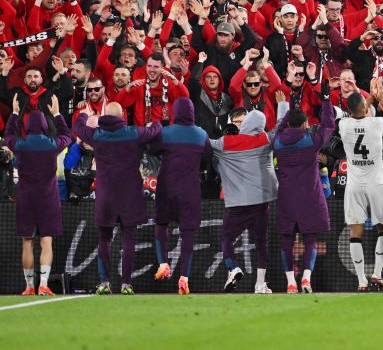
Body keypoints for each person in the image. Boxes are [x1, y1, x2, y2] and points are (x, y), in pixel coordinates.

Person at [72, 102, 162, 295]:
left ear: (105, 115)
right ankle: (126, 284)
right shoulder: (133, 133)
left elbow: (77, 128)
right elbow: (156, 130)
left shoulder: (97, 135)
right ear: (122, 116)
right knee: (128, 241)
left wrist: (84, 115)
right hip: (130, 195)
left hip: (106, 196)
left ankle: (104, 282)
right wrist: (153, 122)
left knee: (104, 240)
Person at [3, 97, 72, 296]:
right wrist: (58, 114)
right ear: (44, 126)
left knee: (27, 242)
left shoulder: (20, 144)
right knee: (46, 241)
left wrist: (15, 113)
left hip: (25, 199)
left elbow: (7, 135)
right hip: (48, 199)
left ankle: (29, 286)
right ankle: (42, 284)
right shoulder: (52, 144)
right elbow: (67, 135)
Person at [337, 84, 383, 291]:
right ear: (365, 108)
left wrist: (370, 99)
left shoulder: (344, 125)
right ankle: (377, 273)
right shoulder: (377, 123)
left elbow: (359, 114)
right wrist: (380, 100)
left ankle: (361, 281)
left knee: (355, 231)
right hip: (376, 183)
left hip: (354, 185)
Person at [274, 86, 337, 293]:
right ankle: (306, 279)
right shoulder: (311, 141)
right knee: (310, 239)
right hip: (310, 197)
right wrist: (326, 100)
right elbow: (329, 125)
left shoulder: (278, 142)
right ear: (305, 124)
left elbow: (280, 128)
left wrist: (291, 107)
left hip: (286, 198)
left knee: (287, 241)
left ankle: (291, 282)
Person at [210, 107, 278, 294]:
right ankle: (260, 284)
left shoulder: (225, 142)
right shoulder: (264, 139)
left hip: (237, 204)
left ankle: (232, 268)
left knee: (226, 239)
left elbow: (204, 144)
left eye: (242, 121)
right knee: (261, 243)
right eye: (237, 122)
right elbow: (280, 126)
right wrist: (283, 106)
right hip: (261, 202)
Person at [149, 97, 210, 296]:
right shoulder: (201, 134)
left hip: (166, 187)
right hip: (190, 190)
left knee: (161, 224)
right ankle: (184, 277)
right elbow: (207, 160)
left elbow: (152, 149)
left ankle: (163, 263)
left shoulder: (166, 133)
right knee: (188, 234)